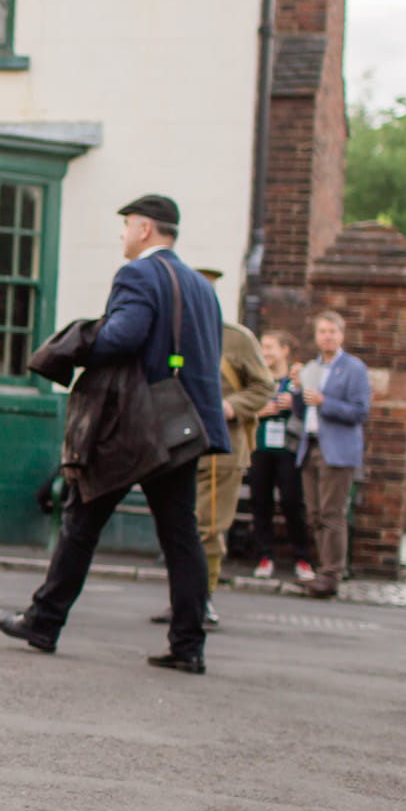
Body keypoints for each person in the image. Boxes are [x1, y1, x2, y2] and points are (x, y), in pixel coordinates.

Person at [0, 194, 229, 675]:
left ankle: (43, 622)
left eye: (125, 227)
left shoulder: (139, 274)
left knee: (81, 521)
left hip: (132, 426)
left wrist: (74, 341)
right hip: (183, 426)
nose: (122, 236)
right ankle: (188, 644)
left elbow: (122, 336)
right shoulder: (201, 287)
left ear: (144, 229)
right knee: (182, 535)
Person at [171, 268, 270, 627]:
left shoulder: (236, 339)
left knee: (209, 526)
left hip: (221, 448)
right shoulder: (173, 335)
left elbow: (263, 387)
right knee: (181, 527)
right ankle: (182, 599)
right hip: (178, 444)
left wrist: (232, 407)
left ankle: (203, 598)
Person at [295, 309, 371, 600]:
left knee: (332, 514)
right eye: (322, 331)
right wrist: (297, 389)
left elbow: (360, 411)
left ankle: (331, 575)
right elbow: (302, 411)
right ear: (316, 337)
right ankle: (321, 570)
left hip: (337, 451)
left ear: (342, 335)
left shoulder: (354, 369)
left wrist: (325, 401)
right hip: (310, 445)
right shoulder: (311, 368)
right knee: (314, 514)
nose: (327, 337)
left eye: (332, 332)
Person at [247, 330, 316, 583]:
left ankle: (302, 558)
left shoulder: (297, 379)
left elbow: (311, 413)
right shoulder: (257, 379)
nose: (265, 353)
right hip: (260, 449)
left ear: (285, 350)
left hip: (288, 450)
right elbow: (245, 409)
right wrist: (262, 412)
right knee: (260, 503)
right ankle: (264, 556)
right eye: (262, 347)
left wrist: (294, 403)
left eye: (270, 347)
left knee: (292, 502)